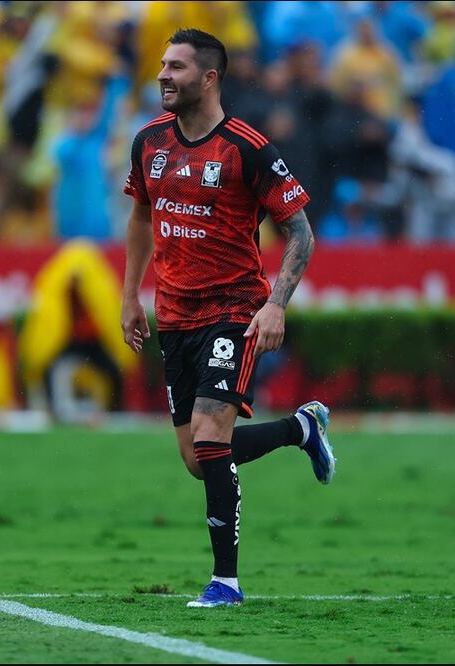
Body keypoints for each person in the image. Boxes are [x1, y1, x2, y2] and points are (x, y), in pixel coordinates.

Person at [120, 29, 337, 609]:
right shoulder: (148, 141)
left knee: (211, 438)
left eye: (177, 67)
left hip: (233, 312)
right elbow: (141, 216)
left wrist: (275, 304)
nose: (163, 75)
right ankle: (301, 429)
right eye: (162, 65)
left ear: (209, 78)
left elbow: (301, 233)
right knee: (198, 459)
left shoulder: (247, 148)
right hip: (174, 316)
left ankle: (226, 583)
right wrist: (130, 296)